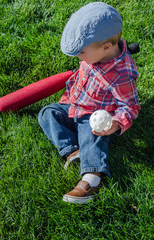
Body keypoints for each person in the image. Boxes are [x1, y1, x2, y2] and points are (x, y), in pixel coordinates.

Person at [38, 2, 140, 204]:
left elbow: (130, 106)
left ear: (106, 47)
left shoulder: (122, 74)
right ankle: (73, 152)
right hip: (76, 106)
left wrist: (116, 123)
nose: (79, 57)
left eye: (81, 52)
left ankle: (92, 179)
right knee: (47, 113)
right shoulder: (94, 56)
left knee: (93, 133)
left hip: (95, 117)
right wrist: (69, 100)